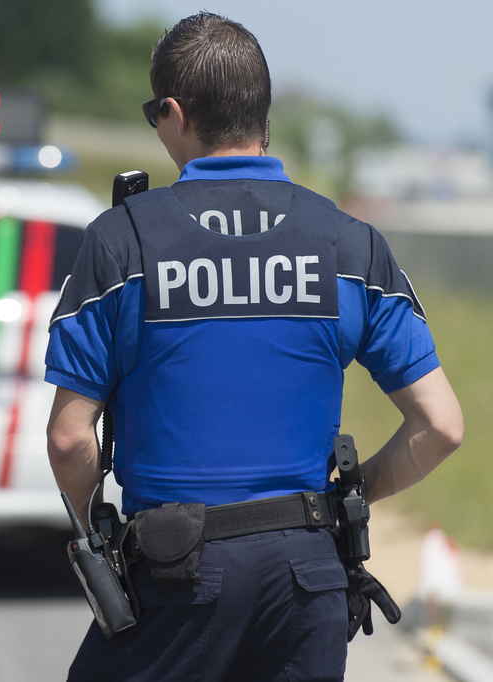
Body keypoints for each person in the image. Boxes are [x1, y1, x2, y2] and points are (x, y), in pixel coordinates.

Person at [45, 12, 463, 681]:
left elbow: (70, 440)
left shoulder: (124, 242)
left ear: (175, 113)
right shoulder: (348, 243)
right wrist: (339, 507)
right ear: (260, 113)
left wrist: (95, 534)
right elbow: (440, 426)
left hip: (179, 576)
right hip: (307, 580)